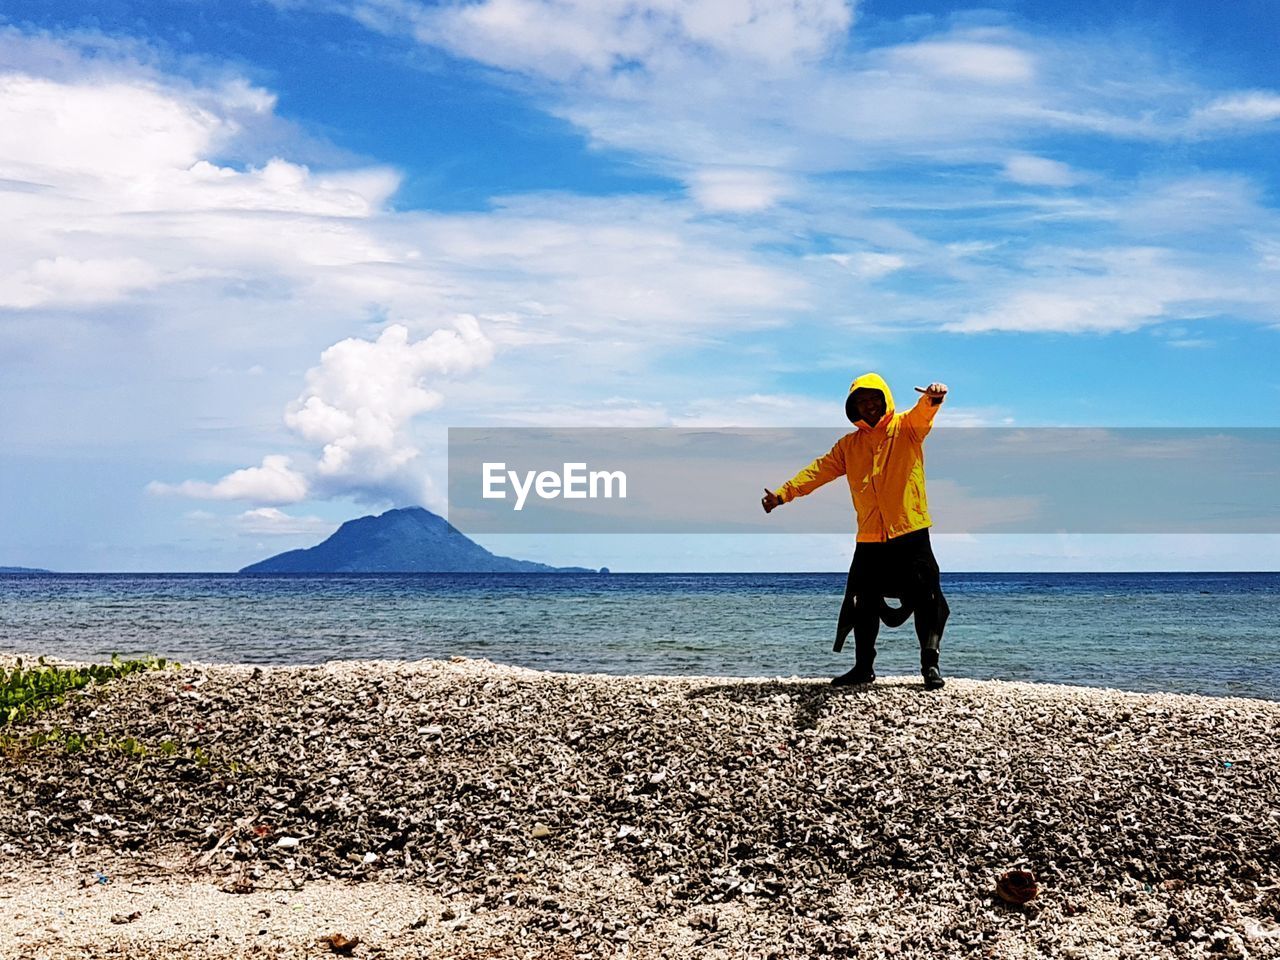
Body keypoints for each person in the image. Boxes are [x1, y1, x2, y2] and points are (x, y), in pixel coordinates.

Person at [761, 373, 950, 690]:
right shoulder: (849, 446)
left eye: (874, 399)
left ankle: (929, 666)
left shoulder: (906, 428)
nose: (869, 406)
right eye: (861, 402)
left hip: (911, 531)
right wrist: (782, 494)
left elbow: (923, 415)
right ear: (854, 408)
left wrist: (933, 398)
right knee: (862, 601)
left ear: (884, 399)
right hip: (870, 538)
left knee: (927, 598)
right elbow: (817, 471)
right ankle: (863, 668)